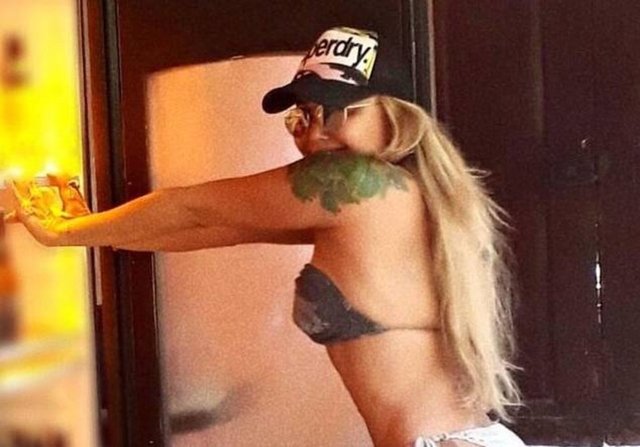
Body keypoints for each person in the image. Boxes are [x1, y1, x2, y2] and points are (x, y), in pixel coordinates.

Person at [7, 26, 527, 447]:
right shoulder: (407, 197)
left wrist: (62, 232)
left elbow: (189, 206)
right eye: (305, 115)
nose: (318, 132)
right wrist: (90, 229)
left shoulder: (355, 184)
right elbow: (219, 227)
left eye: (342, 111)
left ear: (397, 117)